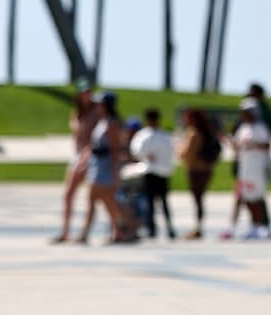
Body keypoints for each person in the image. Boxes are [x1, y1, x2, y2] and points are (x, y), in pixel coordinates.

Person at [78, 92, 134, 244]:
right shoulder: (102, 122)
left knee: (99, 200)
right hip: (97, 165)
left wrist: (115, 172)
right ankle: (119, 231)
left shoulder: (111, 123)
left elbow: (115, 150)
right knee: (108, 202)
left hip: (105, 167)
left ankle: (86, 233)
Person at [52, 90, 97, 244]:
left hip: (91, 157)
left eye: (88, 92)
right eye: (83, 93)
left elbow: (96, 138)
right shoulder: (77, 113)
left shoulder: (96, 113)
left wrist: (87, 155)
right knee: (68, 194)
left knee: (94, 196)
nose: (86, 96)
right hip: (77, 156)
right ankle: (65, 232)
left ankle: (85, 233)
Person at [178, 108, 225, 240]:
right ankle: (198, 227)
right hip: (206, 169)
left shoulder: (194, 133)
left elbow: (188, 154)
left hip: (196, 169)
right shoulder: (206, 131)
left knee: (197, 199)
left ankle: (198, 228)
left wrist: (180, 151)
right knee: (199, 199)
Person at [230, 99, 271, 240]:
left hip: (258, 169)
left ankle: (263, 226)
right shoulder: (243, 128)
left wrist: (253, 145)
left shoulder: (260, 128)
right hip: (245, 169)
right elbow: (237, 146)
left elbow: (267, 145)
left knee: (257, 198)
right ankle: (253, 226)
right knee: (247, 198)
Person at [131, 108, 178, 240]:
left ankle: (152, 228)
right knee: (164, 202)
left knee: (151, 202)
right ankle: (169, 228)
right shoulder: (165, 136)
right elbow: (171, 153)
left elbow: (136, 151)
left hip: (151, 171)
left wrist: (146, 156)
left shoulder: (144, 135)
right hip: (163, 172)